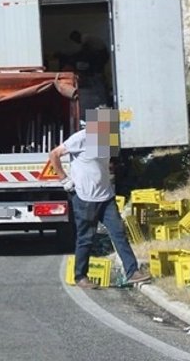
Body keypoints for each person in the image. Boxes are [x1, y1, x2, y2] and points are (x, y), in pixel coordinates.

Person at [48, 109, 151, 289]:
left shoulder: (107, 139)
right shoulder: (80, 138)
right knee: (86, 238)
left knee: (119, 233)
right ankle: (81, 276)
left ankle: (132, 272)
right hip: (85, 197)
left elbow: (106, 164)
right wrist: (64, 180)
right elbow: (54, 154)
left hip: (106, 196)